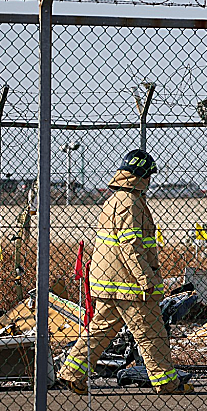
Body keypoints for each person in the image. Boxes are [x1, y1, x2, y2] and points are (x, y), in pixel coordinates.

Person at [58, 149, 194, 395]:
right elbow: (130, 246)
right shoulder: (130, 203)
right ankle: (166, 383)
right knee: (152, 335)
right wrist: (146, 279)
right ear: (141, 176)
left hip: (107, 281)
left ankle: (72, 372)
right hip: (129, 285)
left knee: (99, 331)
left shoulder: (113, 200)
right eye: (149, 176)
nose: (150, 181)